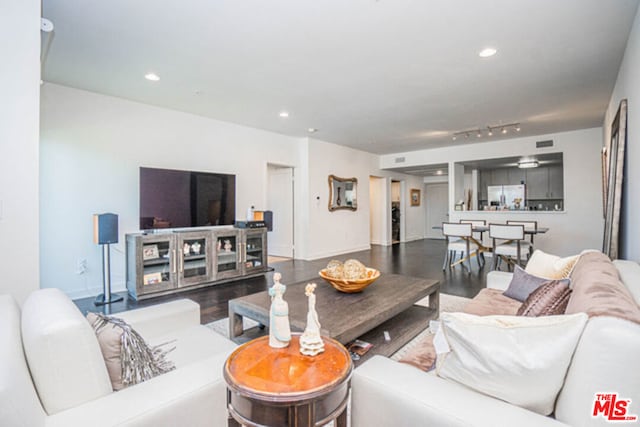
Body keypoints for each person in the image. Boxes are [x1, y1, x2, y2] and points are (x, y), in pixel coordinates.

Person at [268, 273, 291, 348]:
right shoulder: (282, 287)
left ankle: (276, 341)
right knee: (283, 321)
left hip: (276, 304)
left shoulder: (274, 288)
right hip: (282, 303)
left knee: (276, 320)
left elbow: (272, 298)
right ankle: (283, 338)